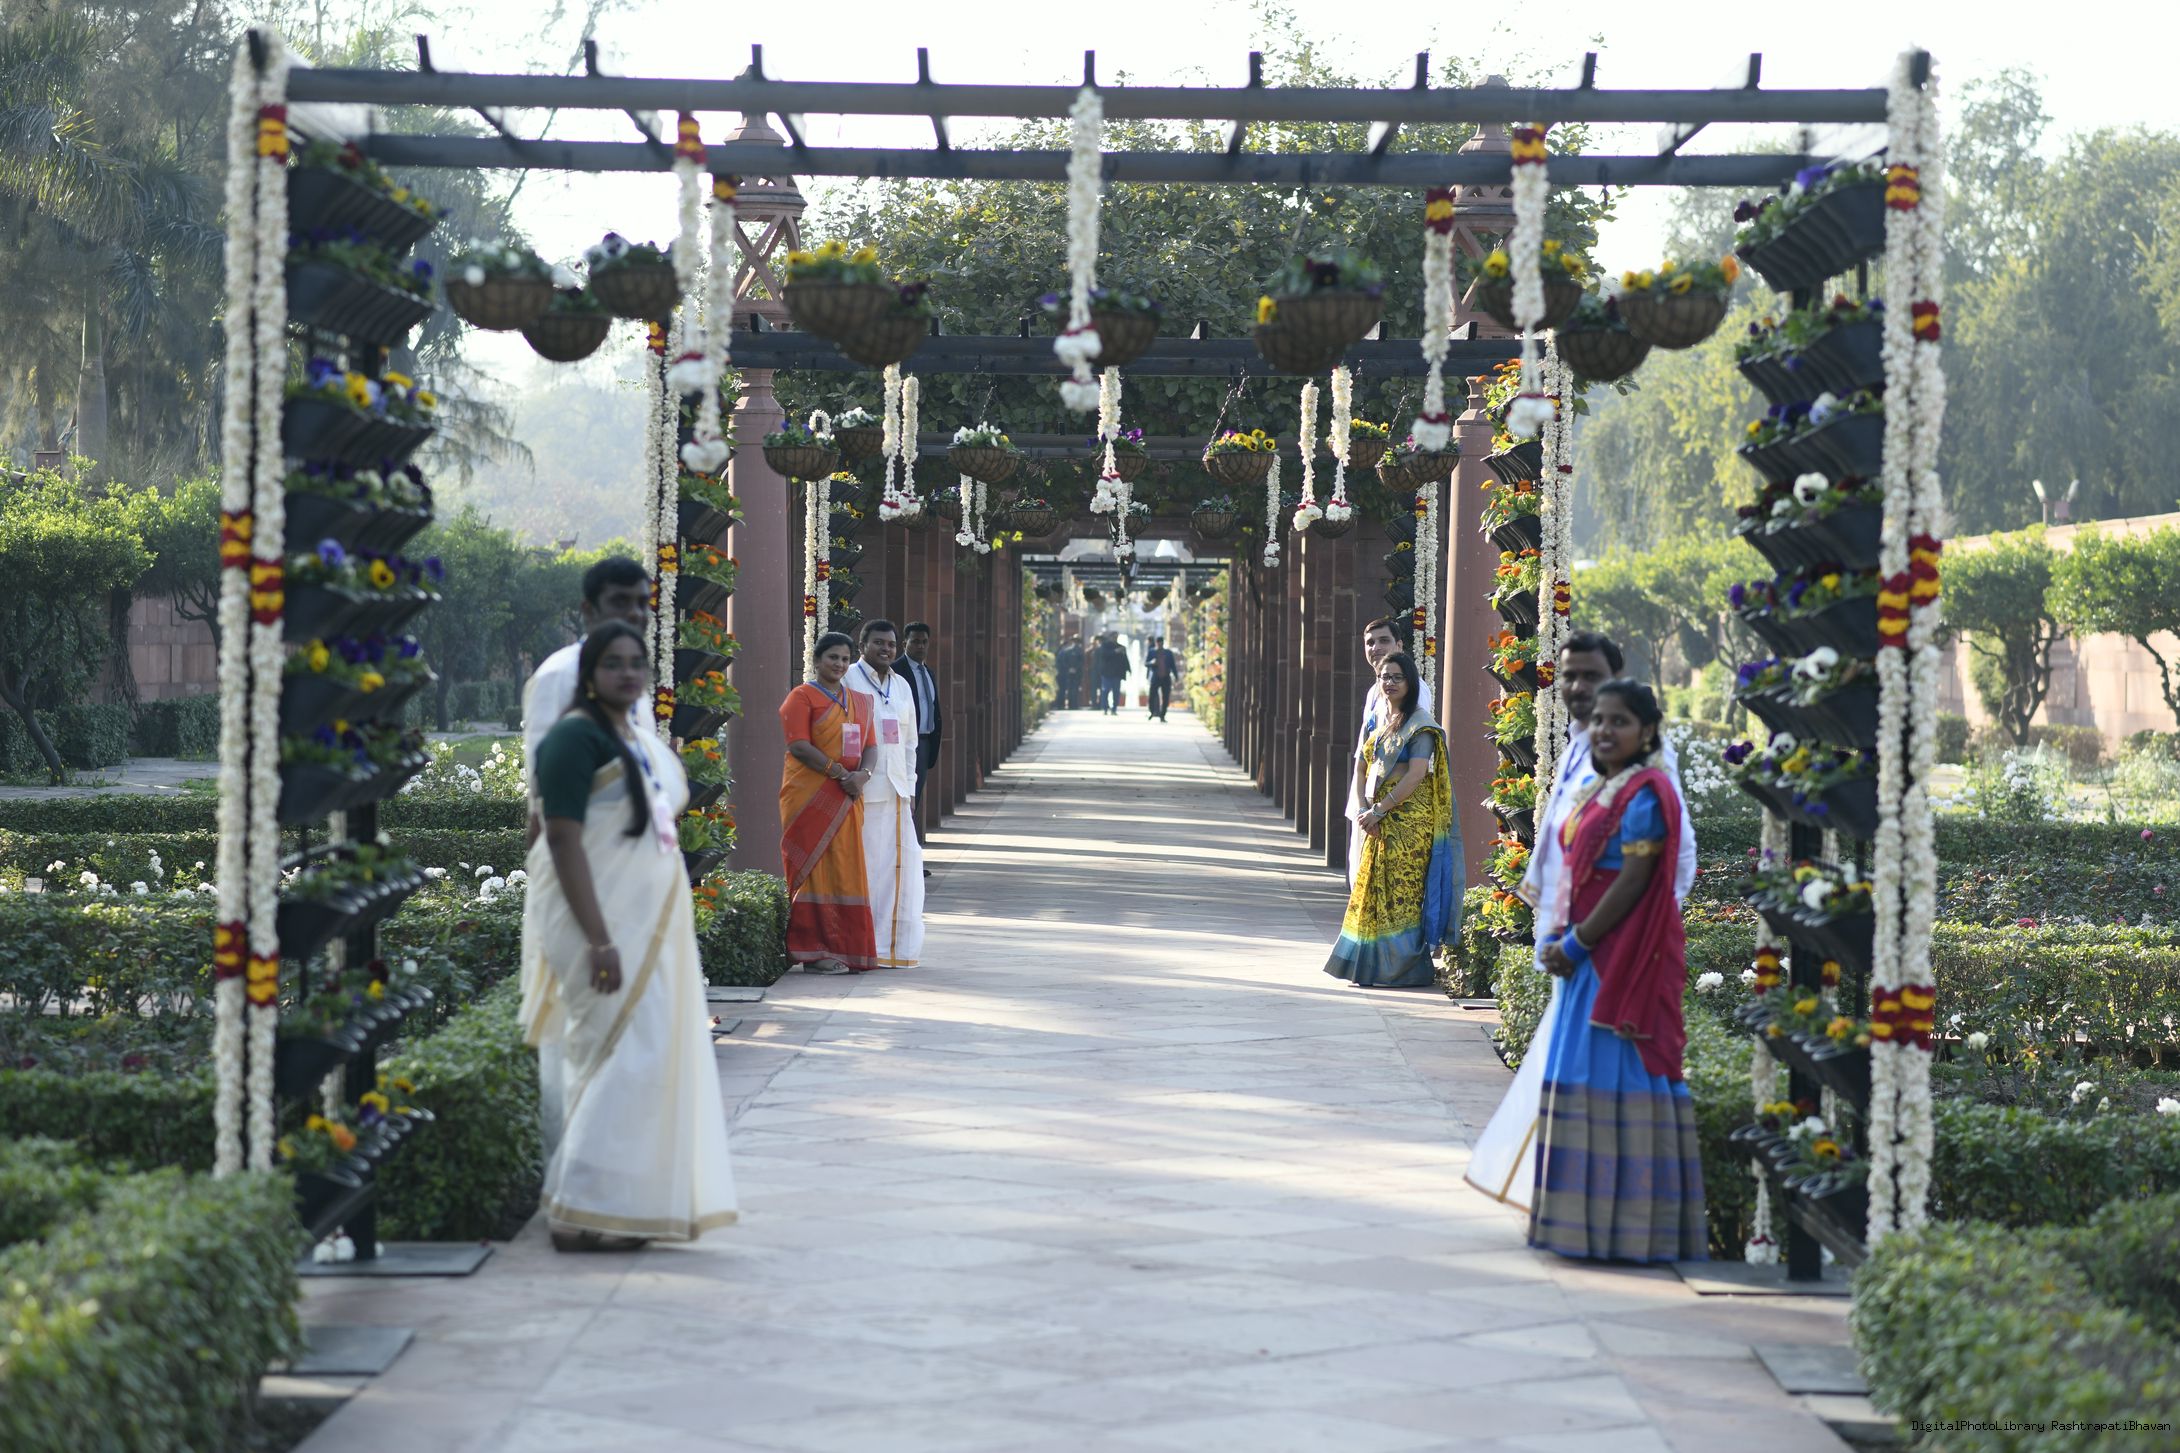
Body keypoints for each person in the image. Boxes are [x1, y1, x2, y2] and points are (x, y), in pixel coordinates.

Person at [519, 622, 737, 1250]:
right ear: (590, 673)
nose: (627, 674)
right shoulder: (572, 739)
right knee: (612, 1059)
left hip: (645, 925)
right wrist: (599, 939)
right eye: (613, 663)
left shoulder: (632, 739)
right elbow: (560, 840)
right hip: (597, 927)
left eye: (636, 663)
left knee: (640, 1060)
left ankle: (615, 1205)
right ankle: (575, 1213)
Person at [1466, 631, 1700, 1211]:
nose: (1576, 688)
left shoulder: (1647, 768)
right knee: (1563, 1068)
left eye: (1590, 677)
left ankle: (1606, 1207)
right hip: (1575, 935)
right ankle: (1560, 1195)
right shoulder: (1584, 746)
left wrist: (1635, 932)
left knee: (1594, 1068)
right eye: (1569, 676)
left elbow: (1672, 859)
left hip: (1616, 944)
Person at [1526, 680, 1706, 1262]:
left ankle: (1630, 1234)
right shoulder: (1607, 786)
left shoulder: (1648, 792)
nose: (1605, 730)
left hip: (1619, 958)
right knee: (1577, 1072)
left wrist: (1578, 943)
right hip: (1588, 958)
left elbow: (1633, 881)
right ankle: (1579, 1227)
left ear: (1647, 730)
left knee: (1614, 1072)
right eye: (1600, 720)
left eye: (1620, 721)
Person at [1323, 651, 1460, 989]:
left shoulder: (1420, 725)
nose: (1390, 683)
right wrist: (1363, 807)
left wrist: (1380, 809)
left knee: (1401, 895)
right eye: (1385, 676)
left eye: (1398, 677)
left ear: (1410, 682)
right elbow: (1361, 766)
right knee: (1371, 890)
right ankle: (1367, 967)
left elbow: (1415, 775)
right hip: (1376, 819)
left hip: (1410, 823)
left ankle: (1403, 969)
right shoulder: (1379, 720)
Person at [522, 556, 651, 850]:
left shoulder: (633, 682)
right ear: (589, 610)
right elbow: (544, 782)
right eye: (620, 602)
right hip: (583, 851)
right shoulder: (559, 675)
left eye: (643, 603)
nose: (635, 614)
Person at [778, 632, 879, 974]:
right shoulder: (801, 697)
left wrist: (862, 775)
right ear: (817, 660)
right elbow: (798, 746)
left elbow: (871, 746)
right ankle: (814, 951)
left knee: (846, 869)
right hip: (810, 794)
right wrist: (837, 772)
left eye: (845, 659)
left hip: (848, 795)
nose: (839, 664)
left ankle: (847, 948)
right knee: (815, 870)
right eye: (833, 657)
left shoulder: (861, 701)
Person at [849, 620, 924, 967]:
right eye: (879, 643)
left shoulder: (901, 685)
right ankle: (863, 943)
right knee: (867, 869)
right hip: (864, 792)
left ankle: (892, 948)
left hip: (897, 792)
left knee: (900, 871)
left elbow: (910, 743)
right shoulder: (849, 679)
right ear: (862, 645)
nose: (886, 649)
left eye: (891, 644)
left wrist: (910, 787)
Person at [1345, 617, 1435, 887]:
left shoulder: (1417, 693)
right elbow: (1363, 757)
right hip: (1368, 803)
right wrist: (1363, 808)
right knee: (1361, 880)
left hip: (1397, 807)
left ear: (1399, 645)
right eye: (1369, 643)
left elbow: (1414, 759)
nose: (1375, 648)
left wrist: (1381, 809)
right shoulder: (1375, 691)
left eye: (1383, 640)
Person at [898, 621, 944, 854]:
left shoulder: (928, 672)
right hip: (903, 744)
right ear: (904, 643)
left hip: (924, 744)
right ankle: (904, 854)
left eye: (924, 642)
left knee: (915, 799)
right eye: (915, 641)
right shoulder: (896, 671)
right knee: (904, 800)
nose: (920, 646)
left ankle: (912, 854)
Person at [1145, 637, 1180, 721]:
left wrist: (1176, 676)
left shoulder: (1168, 653)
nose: (1160, 645)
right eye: (1158, 643)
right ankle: (1152, 711)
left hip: (1166, 677)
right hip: (1156, 676)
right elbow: (1146, 663)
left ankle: (1162, 715)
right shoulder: (1152, 652)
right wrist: (1152, 663)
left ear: (1163, 643)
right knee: (1152, 695)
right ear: (1156, 643)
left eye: (1161, 643)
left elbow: (1173, 665)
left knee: (1166, 697)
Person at [1095, 633, 1129, 715]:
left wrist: (1128, 669)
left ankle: (1114, 709)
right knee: (1105, 691)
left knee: (1116, 692)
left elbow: (1125, 659)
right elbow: (1104, 655)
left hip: (1117, 674)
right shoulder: (1105, 646)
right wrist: (1115, 651)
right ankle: (1105, 708)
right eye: (1113, 637)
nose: (1115, 638)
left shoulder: (1120, 647)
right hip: (1107, 673)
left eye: (1116, 637)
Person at [1056, 634, 1085, 711]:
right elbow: (1082, 662)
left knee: (1070, 688)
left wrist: (1069, 668)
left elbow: (1064, 662)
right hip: (1076, 672)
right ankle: (1074, 705)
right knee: (1074, 688)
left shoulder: (1067, 651)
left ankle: (1070, 704)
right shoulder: (1080, 651)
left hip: (1068, 672)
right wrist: (1075, 668)